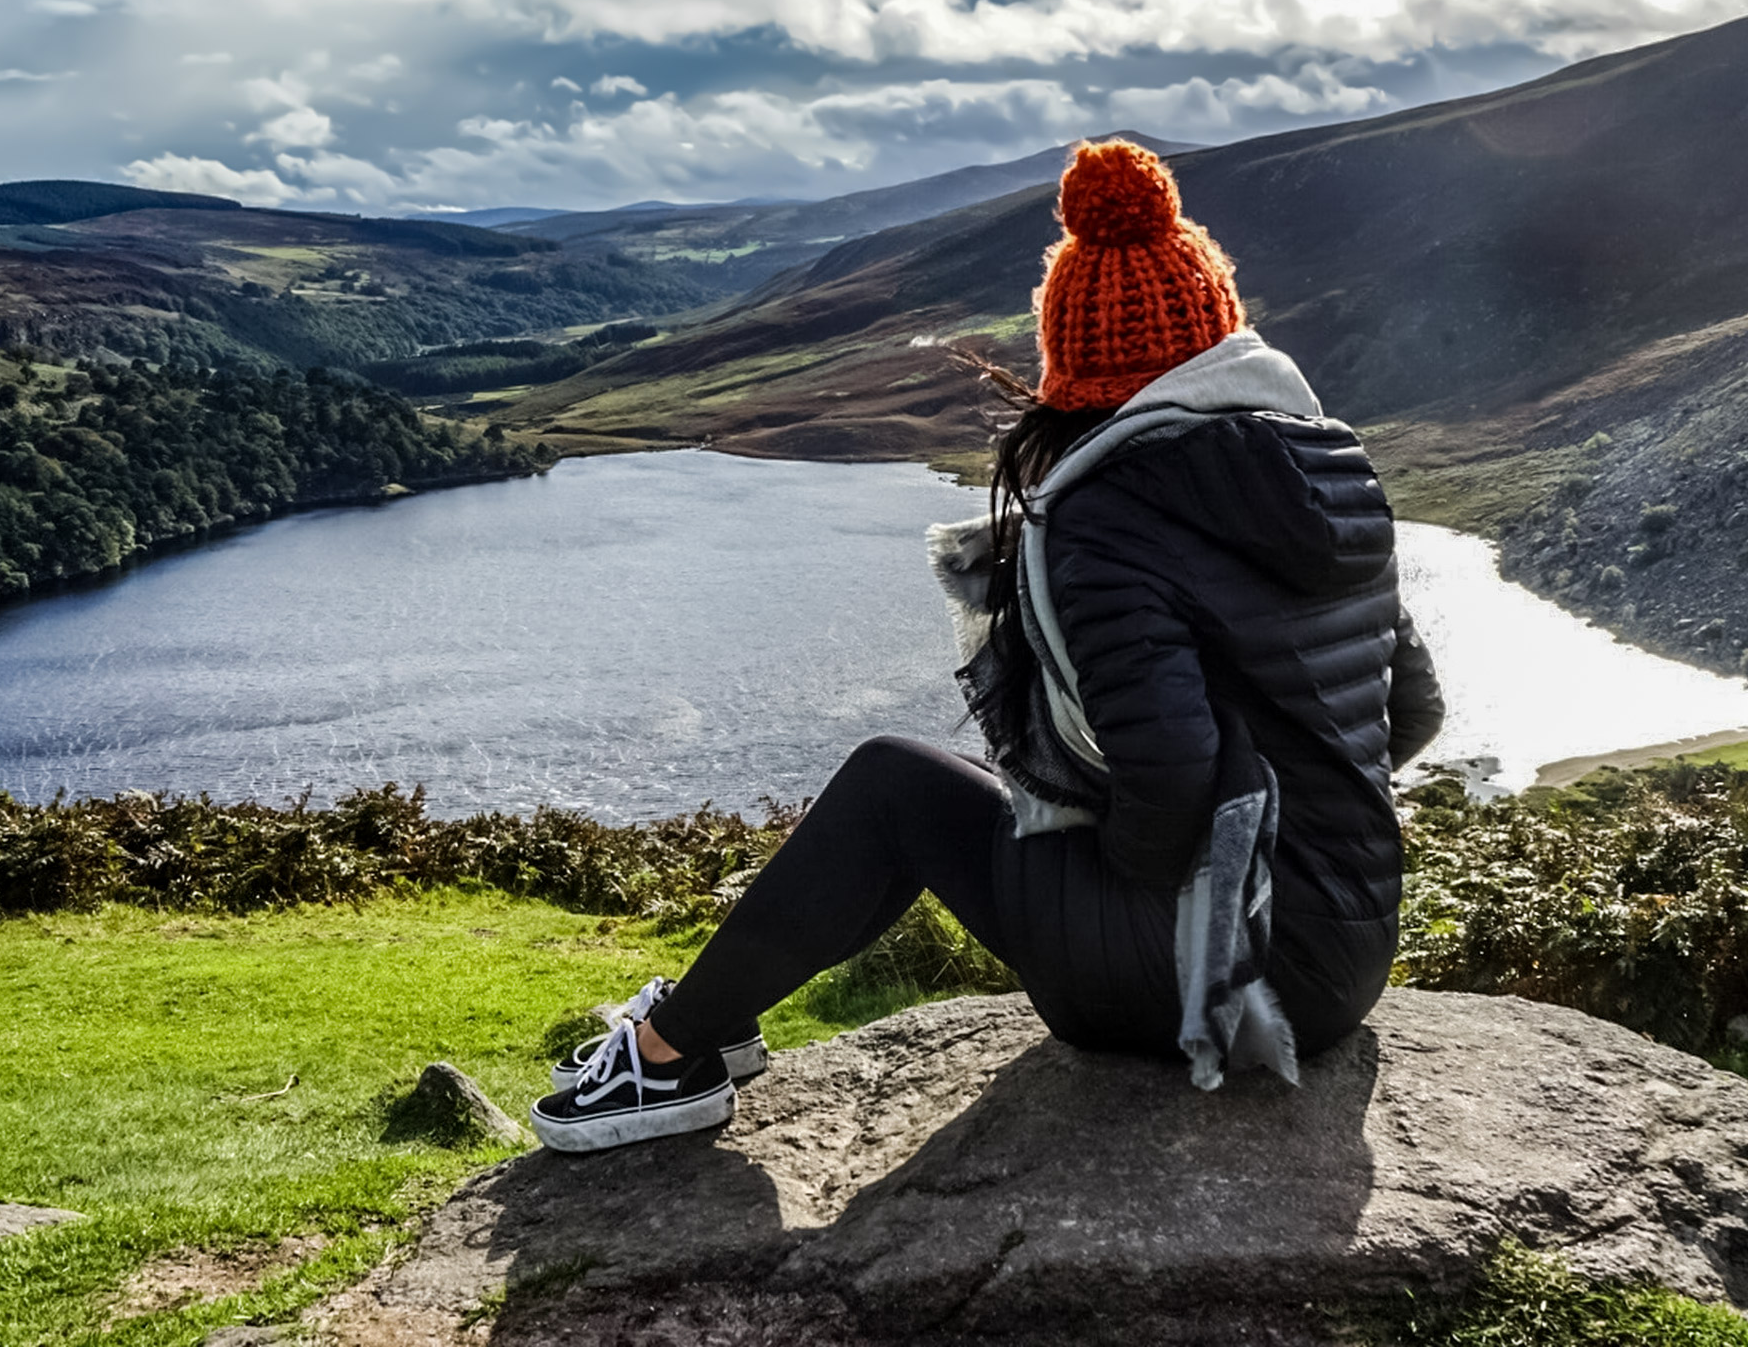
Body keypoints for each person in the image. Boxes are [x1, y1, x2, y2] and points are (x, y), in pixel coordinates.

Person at [531, 139, 1445, 1153]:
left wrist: (1126, 856)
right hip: (1347, 958)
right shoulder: (1332, 469)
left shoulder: (1108, 509)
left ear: (1076, 359)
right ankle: (715, 1018)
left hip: (1211, 981)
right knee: (940, 792)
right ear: (1219, 329)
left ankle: (667, 1057)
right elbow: (1409, 713)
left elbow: (1175, 775)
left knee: (895, 788)